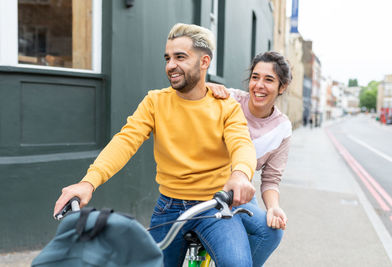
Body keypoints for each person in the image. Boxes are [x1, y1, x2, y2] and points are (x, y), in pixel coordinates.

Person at [53, 23, 257, 267]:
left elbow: (241, 144)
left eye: (180, 57)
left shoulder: (226, 106)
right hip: (169, 207)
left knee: (237, 264)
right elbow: (125, 140)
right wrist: (88, 182)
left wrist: (241, 174)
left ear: (204, 62)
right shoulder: (155, 102)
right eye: (167, 58)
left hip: (215, 206)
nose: (171, 65)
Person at [208, 51, 293, 266]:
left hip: (240, 193)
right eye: (255, 77)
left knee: (271, 232)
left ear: (282, 87)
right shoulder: (230, 99)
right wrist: (207, 86)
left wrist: (273, 208)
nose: (259, 85)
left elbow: (271, 179)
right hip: (207, 183)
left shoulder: (282, 128)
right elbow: (193, 93)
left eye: (269, 79)